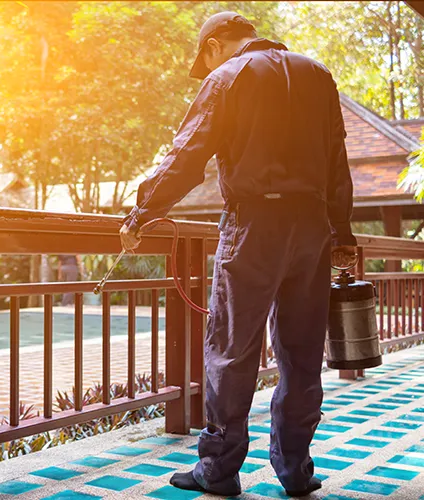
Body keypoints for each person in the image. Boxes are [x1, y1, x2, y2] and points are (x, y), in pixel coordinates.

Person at [120, 11, 357, 498]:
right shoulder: (318, 74)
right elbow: (337, 159)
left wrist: (142, 211)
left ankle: (219, 470)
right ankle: (296, 470)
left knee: (232, 350)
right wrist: (343, 232)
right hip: (311, 227)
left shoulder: (226, 78)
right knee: (302, 351)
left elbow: (187, 156)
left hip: (253, 224)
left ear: (214, 46)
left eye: (203, 60)